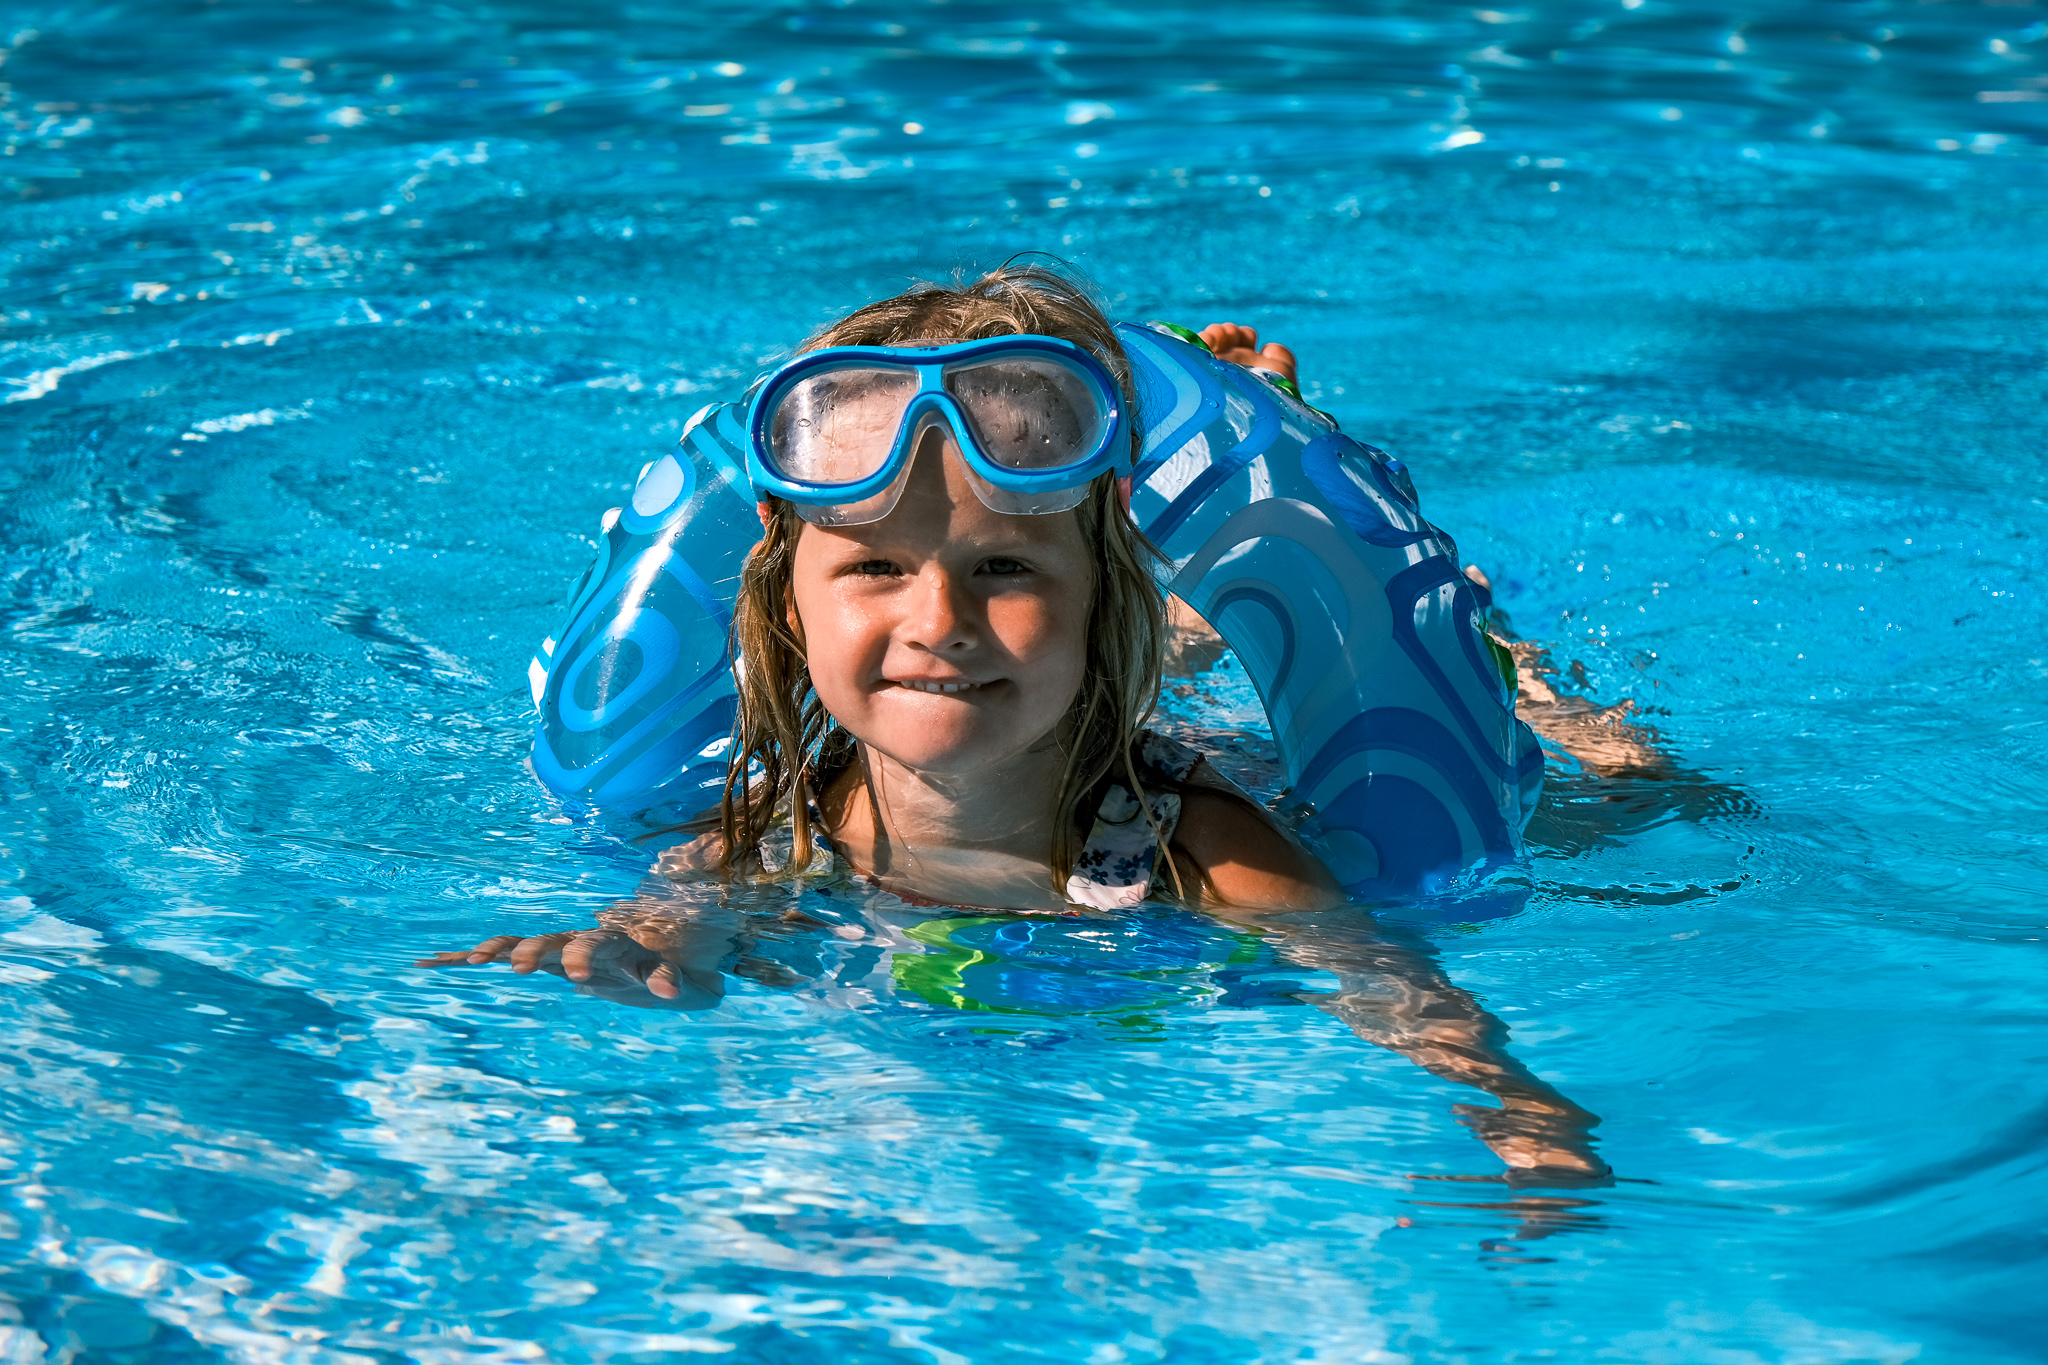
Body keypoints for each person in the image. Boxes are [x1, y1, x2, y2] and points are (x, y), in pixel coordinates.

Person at [422, 265, 1610, 1186]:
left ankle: (1490, 652)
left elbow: (1391, 985)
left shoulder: (1204, 849)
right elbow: (682, 904)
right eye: (876, 566)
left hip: (1205, 752)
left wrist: (1516, 1109)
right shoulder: (776, 821)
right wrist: (635, 940)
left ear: (1102, 597)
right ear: (785, 604)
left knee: (1623, 786)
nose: (935, 619)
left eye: (1000, 564)